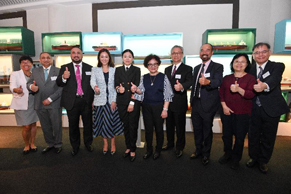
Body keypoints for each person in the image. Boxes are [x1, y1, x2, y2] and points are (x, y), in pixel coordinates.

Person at [246, 42, 289, 173]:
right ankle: (253, 157)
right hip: (253, 108)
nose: (260, 55)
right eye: (257, 52)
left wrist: (264, 85)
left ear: (269, 53)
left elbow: (275, 79)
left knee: (268, 136)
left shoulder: (277, 66)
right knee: (253, 135)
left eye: (264, 51)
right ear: (253, 55)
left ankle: (263, 160)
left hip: (271, 108)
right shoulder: (249, 69)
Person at [131, 54, 173, 160]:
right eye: (150, 64)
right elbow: (141, 91)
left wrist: (165, 109)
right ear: (146, 66)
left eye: (155, 64)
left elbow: (168, 95)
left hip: (159, 107)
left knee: (159, 130)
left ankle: (158, 150)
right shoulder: (144, 77)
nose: (153, 66)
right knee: (148, 130)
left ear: (158, 65)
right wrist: (136, 89)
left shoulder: (163, 77)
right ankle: (149, 150)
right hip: (146, 107)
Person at [218, 53, 256, 169]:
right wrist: (224, 106)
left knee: (240, 137)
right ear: (232, 63)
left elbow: (250, 95)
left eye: (242, 61)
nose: (239, 64)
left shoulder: (251, 78)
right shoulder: (227, 78)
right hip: (227, 112)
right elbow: (221, 94)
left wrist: (238, 89)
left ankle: (236, 158)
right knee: (226, 135)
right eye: (236, 61)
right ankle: (227, 153)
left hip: (243, 113)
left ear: (247, 64)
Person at [56, 47, 94, 156]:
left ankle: (88, 144)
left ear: (82, 55)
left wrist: (92, 101)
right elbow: (59, 83)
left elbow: (92, 86)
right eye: (73, 53)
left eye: (78, 53)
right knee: (73, 126)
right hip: (72, 102)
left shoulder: (89, 68)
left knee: (88, 125)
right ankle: (75, 146)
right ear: (70, 55)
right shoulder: (64, 68)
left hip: (86, 101)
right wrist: (63, 77)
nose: (76, 55)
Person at [190, 43, 223, 165]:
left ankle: (206, 154)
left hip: (208, 104)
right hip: (196, 103)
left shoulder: (217, 67)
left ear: (212, 52)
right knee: (197, 129)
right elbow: (194, 85)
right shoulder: (196, 68)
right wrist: (191, 100)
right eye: (202, 50)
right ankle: (198, 150)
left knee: (207, 130)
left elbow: (218, 81)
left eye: (207, 50)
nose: (204, 52)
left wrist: (208, 81)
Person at [27, 52, 63, 154]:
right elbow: (29, 83)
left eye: (48, 58)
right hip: (40, 103)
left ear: (51, 59)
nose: (46, 59)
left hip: (54, 103)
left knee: (56, 125)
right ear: (40, 60)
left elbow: (61, 88)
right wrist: (31, 87)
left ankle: (58, 144)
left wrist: (50, 99)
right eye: (43, 58)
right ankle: (50, 144)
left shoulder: (58, 71)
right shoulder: (35, 71)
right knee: (45, 126)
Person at [91, 48, 123, 156]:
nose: (104, 59)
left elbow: (116, 86)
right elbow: (92, 81)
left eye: (106, 56)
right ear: (99, 58)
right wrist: (95, 87)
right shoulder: (95, 70)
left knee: (111, 122)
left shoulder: (115, 70)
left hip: (111, 101)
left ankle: (113, 143)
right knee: (101, 123)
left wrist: (114, 100)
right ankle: (105, 143)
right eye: (102, 56)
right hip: (99, 100)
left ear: (109, 58)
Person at [163, 45, 193, 158]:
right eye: (173, 53)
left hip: (180, 103)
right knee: (169, 126)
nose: (176, 55)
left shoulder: (188, 68)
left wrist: (182, 86)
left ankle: (180, 147)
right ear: (171, 55)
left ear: (182, 55)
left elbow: (190, 81)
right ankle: (170, 144)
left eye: (178, 53)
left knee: (180, 127)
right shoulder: (167, 69)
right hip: (168, 104)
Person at [115, 49, 141, 162]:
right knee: (125, 125)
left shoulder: (137, 70)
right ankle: (128, 147)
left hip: (132, 102)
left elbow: (136, 86)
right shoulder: (118, 69)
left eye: (129, 56)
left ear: (132, 58)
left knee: (133, 125)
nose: (127, 58)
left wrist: (131, 102)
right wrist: (118, 89)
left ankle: (133, 149)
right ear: (122, 58)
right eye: (125, 56)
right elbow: (116, 84)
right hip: (121, 102)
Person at [9, 55, 39, 155]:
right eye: (23, 62)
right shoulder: (15, 74)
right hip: (22, 101)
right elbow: (12, 86)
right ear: (20, 64)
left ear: (31, 64)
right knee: (26, 126)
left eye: (28, 62)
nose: (26, 64)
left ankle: (33, 143)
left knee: (34, 123)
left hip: (34, 100)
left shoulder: (34, 74)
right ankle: (26, 144)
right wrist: (16, 90)